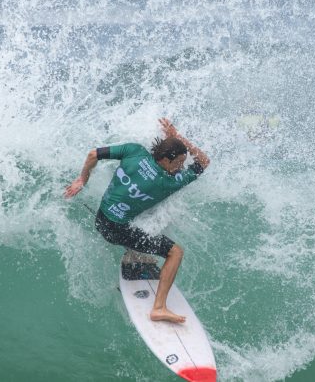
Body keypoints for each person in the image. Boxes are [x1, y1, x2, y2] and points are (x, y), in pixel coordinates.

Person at [64, 118, 210, 323]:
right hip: (116, 230)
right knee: (175, 252)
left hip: (101, 218)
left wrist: (82, 180)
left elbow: (93, 154)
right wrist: (177, 137)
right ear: (166, 160)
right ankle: (159, 308)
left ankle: (134, 254)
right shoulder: (168, 182)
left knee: (142, 228)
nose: (180, 168)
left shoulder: (134, 150)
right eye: (178, 163)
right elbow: (204, 161)